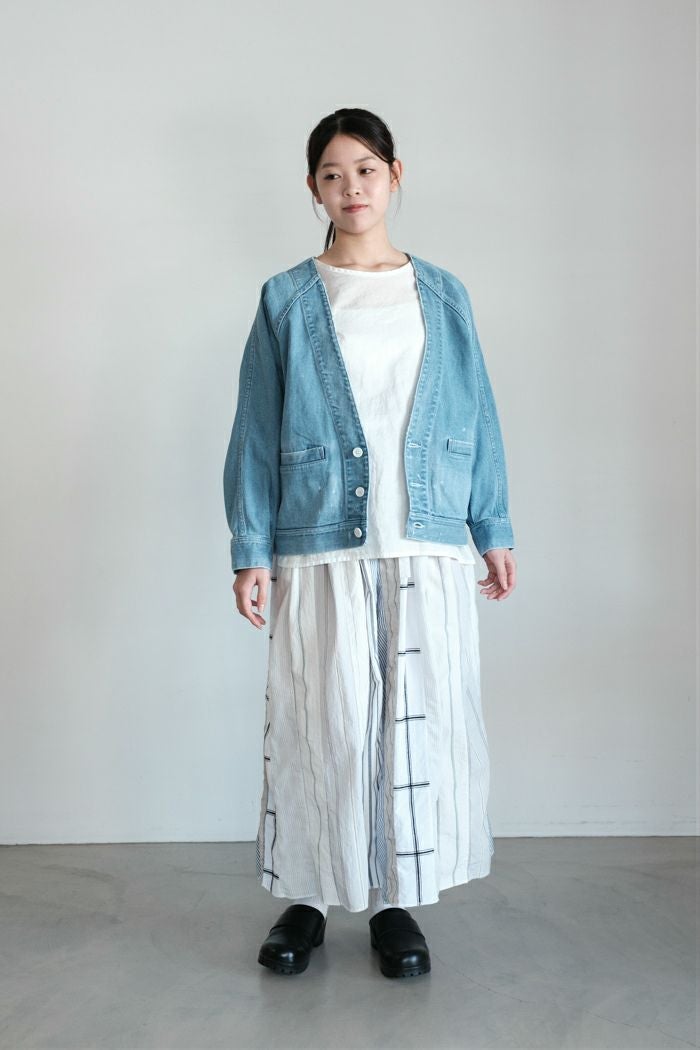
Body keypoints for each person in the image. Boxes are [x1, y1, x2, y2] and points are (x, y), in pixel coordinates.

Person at [222, 107, 517, 979]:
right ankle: (309, 898)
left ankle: (394, 902)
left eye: (366, 170)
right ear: (312, 188)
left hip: (426, 541)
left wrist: (492, 526)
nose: (351, 187)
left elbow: (478, 415)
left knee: (412, 728)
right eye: (332, 174)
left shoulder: (444, 293)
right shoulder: (287, 297)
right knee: (323, 723)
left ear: (395, 175)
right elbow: (255, 427)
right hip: (319, 541)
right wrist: (250, 548)